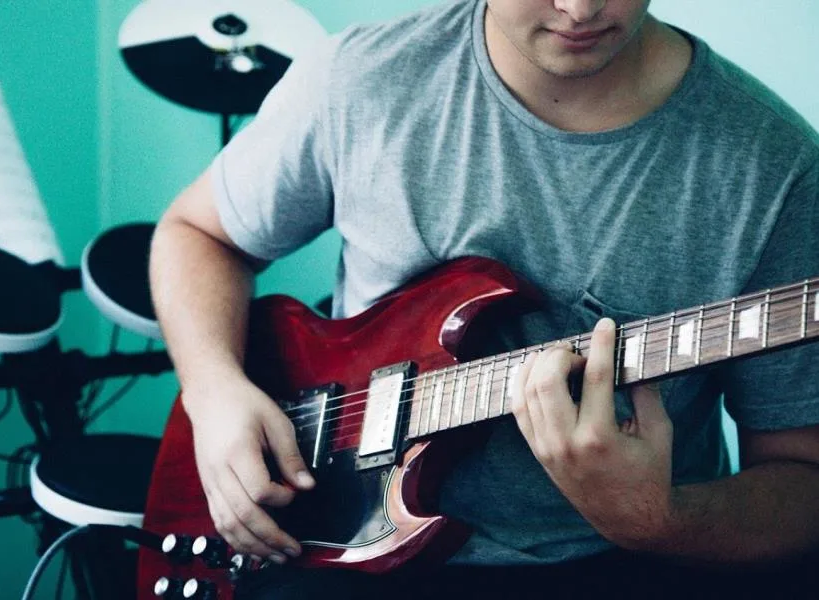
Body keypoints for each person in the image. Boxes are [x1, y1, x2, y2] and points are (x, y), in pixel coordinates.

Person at [148, 0, 819, 597]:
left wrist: (659, 520)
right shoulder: (360, 78)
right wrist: (212, 391)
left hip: (621, 562)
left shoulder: (779, 168)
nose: (578, 9)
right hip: (333, 540)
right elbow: (196, 232)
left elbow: (801, 480)